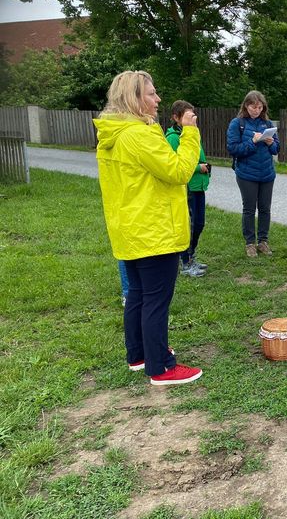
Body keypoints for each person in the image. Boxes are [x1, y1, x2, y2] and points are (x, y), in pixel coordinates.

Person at [94, 70, 202, 386]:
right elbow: (180, 170)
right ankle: (161, 367)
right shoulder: (137, 135)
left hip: (130, 229)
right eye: (152, 94)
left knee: (139, 295)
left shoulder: (115, 133)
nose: (158, 99)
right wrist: (190, 133)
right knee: (156, 299)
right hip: (154, 230)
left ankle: (138, 354)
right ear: (134, 98)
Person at [226, 90, 279, 257]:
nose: (256, 110)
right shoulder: (237, 123)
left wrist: (271, 143)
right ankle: (250, 243)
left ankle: (263, 241)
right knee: (249, 209)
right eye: (253, 107)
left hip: (267, 173)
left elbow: (277, 149)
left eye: (259, 107)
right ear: (246, 106)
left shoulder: (268, 124)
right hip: (246, 174)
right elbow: (233, 149)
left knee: (265, 208)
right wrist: (253, 142)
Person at [166, 100, 210, 276]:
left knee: (199, 224)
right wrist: (199, 167)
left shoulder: (192, 133)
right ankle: (185, 263)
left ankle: (191, 256)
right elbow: (175, 165)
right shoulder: (173, 138)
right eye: (188, 115)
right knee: (189, 226)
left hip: (198, 186)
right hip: (186, 188)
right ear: (176, 118)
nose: (193, 118)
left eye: (193, 115)